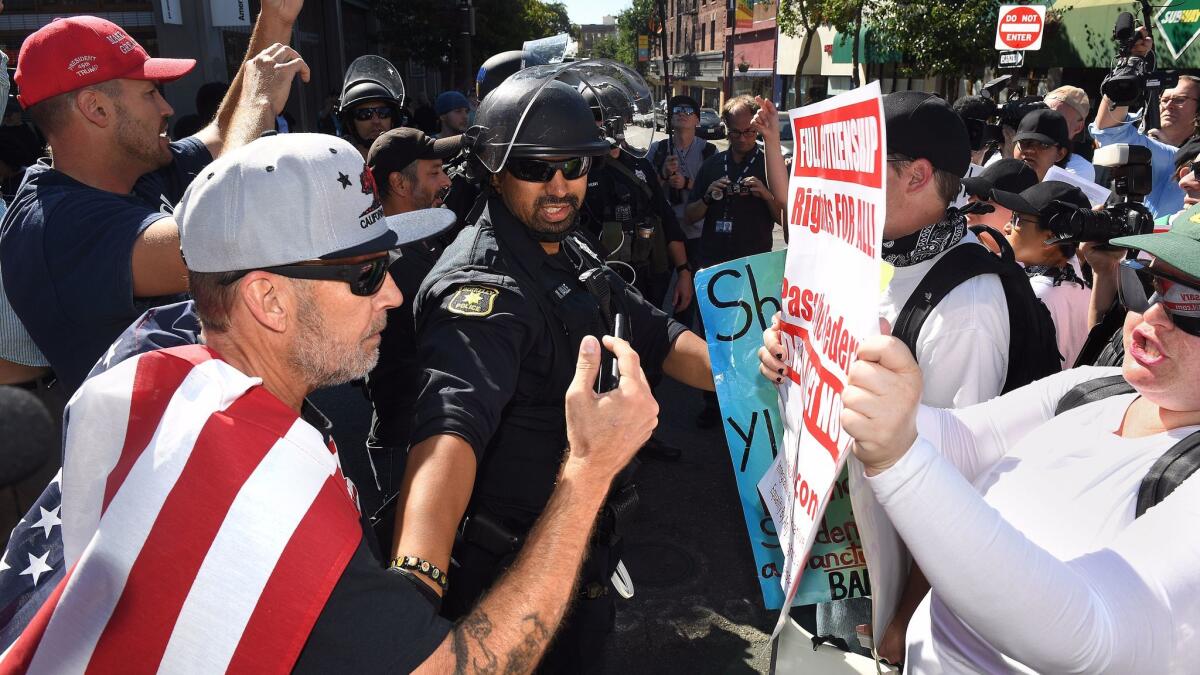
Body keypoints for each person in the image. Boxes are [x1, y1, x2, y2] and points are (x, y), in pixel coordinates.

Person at [0, 131, 662, 674]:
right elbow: (465, 667)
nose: (394, 295)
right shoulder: (268, 492)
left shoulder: (158, 353)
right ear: (267, 299)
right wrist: (587, 472)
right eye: (367, 272)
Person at [393, 74, 715, 673]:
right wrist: (416, 586)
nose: (560, 186)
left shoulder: (565, 243)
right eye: (536, 168)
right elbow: (449, 431)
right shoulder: (483, 289)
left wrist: (759, 370)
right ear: (494, 167)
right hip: (508, 579)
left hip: (580, 557)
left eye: (575, 166)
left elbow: (661, 337)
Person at [821, 213, 1200, 673]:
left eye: (1190, 302)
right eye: (1151, 283)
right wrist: (830, 365)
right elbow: (957, 441)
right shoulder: (1094, 386)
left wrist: (900, 461)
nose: (1154, 312)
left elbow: (1089, 636)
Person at [755, 91, 1022, 658]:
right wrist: (787, 353)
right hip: (836, 536)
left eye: (859, 172)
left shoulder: (966, 307)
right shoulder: (875, 255)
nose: (834, 192)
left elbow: (962, 485)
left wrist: (907, 618)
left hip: (891, 580)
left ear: (918, 176)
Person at [0, 6, 306, 394]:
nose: (168, 109)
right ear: (96, 109)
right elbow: (214, 238)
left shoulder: (136, 170)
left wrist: (276, 17)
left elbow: (226, 130)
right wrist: (259, 100)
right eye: (150, 94)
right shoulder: (53, 225)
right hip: (166, 452)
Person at [364, 127, 462, 509]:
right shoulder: (394, 264)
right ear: (398, 183)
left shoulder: (422, 239)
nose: (447, 181)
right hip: (408, 444)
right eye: (435, 172)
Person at [685, 94, 784, 428]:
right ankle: (712, 402)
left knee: (751, 338)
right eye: (736, 132)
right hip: (713, 264)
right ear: (726, 129)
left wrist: (766, 195)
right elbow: (690, 215)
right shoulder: (714, 164)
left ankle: (745, 401)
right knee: (714, 336)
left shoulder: (769, 161)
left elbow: (786, 220)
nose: (743, 138)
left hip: (753, 266)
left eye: (749, 132)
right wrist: (709, 196)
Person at [991, 181, 1093, 367]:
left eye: (1018, 220)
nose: (1007, 227)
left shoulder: (1033, 295)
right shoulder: (1084, 287)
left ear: (1050, 238)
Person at [1092, 32, 1194, 217]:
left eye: (1180, 100)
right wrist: (1129, 64)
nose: (1169, 105)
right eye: (1164, 99)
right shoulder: (1171, 157)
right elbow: (1110, 131)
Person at [648, 95, 716, 328]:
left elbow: (715, 188)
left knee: (694, 291)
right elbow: (645, 190)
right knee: (659, 290)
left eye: (689, 110)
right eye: (677, 109)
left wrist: (687, 184)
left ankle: (687, 334)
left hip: (698, 232)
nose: (682, 112)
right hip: (666, 233)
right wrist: (664, 175)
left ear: (697, 119)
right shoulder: (657, 150)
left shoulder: (709, 151)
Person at [960, 158, 1040, 247]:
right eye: (970, 192)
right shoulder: (952, 247)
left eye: (985, 197)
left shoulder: (1035, 260)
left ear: (1018, 212)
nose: (970, 200)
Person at [338, 56, 406, 159]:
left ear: (394, 119)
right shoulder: (340, 164)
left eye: (383, 112)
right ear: (350, 124)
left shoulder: (407, 162)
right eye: (364, 114)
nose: (376, 121)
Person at [1043, 85, 1096, 182]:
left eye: (1057, 119)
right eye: (1042, 114)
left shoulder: (1080, 168)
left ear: (1078, 127)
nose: (1046, 123)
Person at [1012, 109, 1075, 181]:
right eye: (1023, 141)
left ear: (1060, 154)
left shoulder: (1067, 191)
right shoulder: (998, 186)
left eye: (1043, 144)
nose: (1030, 150)